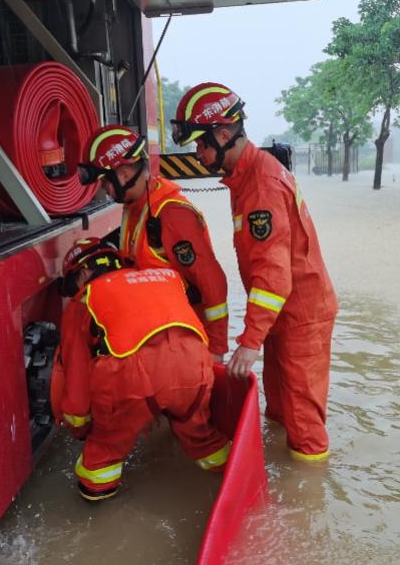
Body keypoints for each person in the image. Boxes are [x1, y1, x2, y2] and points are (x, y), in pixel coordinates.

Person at [170, 83, 338, 463]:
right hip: (283, 316)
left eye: (201, 143)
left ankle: (308, 502)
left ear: (224, 134)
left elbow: (274, 275)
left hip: (301, 317)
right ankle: (287, 479)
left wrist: (248, 342)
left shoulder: (260, 184)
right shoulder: (244, 175)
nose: (198, 154)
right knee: (278, 413)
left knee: (304, 426)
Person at [51, 237, 230, 501]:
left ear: (85, 272)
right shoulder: (166, 276)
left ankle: (97, 500)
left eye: (71, 284)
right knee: (201, 435)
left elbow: (76, 378)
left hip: (132, 382)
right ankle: (224, 473)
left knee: (102, 455)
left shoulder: (83, 302)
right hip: (195, 368)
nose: (73, 292)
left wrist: (80, 427)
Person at [78, 125, 229, 363]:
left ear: (124, 175)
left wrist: (217, 349)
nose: (104, 191)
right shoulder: (135, 208)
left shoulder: (171, 214)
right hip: (154, 337)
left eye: (105, 182)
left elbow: (212, 282)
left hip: (181, 341)